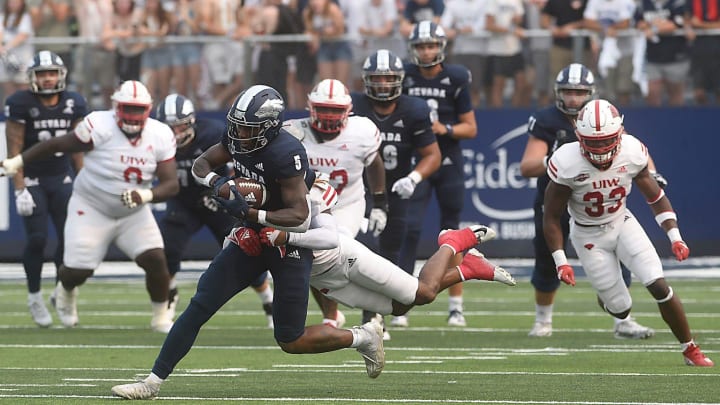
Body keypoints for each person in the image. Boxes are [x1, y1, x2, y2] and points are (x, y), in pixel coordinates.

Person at [109, 85, 385, 400]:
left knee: (290, 339)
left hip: (288, 242)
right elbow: (202, 166)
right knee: (200, 305)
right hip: (252, 234)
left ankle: (361, 337)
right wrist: (221, 186)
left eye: (246, 127)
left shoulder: (286, 151)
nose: (238, 132)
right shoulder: (236, 138)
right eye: (237, 124)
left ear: (268, 128)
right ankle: (153, 381)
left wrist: (251, 213)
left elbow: (299, 215)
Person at [543, 98, 713, 367]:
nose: (600, 148)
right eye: (593, 141)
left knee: (658, 283)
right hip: (588, 236)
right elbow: (551, 216)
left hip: (622, 221)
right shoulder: (567, 162)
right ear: (579, 136)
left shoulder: (632, 152)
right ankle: (607, 292)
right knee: (621, 308)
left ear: (619, 133)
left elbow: (656, 197)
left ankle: (690, 348)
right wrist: (561, 261)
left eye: (605, 140)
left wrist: (675, 237)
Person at [1, 79, 179, 333]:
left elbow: (171, 184)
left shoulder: (160, 134)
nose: (132, 115)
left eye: (138, 109)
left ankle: (161, 317)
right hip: (92, 207)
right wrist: (17, 161)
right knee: (77, 271)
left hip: (133, 213)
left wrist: (146, 196)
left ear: (149, 109)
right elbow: (56, 145)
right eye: (128, 108)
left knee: (155, 259)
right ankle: (64, 291)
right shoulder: (100, 125)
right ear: (116, 106)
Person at [520, 63, 658, 339]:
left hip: (599, 202)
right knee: (549, 259)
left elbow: (633, 149)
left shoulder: (602, 116)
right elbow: (527, 166)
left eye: (579, 92)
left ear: (591, 93)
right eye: (568, 92)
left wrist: (653, 175)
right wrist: (560, 160)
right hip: (558, 199)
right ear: (558, 92)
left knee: (617, 257)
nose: (573, 98)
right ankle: (543, 320)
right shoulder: (547, 120)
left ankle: (623, 320)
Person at [257, 178, 516, 322]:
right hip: (324, 278)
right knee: (399, 307)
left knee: (423, 292)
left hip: (342, 257)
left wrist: (284, 236)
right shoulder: (254, 204)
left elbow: (328, 236)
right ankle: (468, 269)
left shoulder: (305, 192)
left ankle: (455, 241)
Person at [154, 93, 275, 328]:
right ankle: (168, 296)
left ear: (191, 122)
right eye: (170, 128)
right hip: (181, 201)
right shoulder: (155, 139)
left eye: (180, 126)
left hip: (217, 200)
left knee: (245, 249)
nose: (176, 133)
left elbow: (236, 171)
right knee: (167, 250)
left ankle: (268, 299)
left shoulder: (212, 134)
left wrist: (220, 194)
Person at [351, 48, 441, 337]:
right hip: (358, 191)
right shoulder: (354, 107)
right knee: (364, 250)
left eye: (389, 78)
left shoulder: (413, 109)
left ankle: (379, 316)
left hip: (396, 191)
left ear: (400, 79)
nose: (382, 85)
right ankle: (344, 313)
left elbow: (432, 155)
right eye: (376, 78)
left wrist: (414, 177)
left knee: (389, 255)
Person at [285, 78, 387, 327]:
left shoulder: (361, 131)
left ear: (348, 111)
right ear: (310, 107)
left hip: (345, 203)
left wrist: (380, 203)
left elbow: (374, 164)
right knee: (308, 262)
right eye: (323, 109)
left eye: (335, 110)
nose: (329, 116)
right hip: (309, 206)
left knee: (333, 253)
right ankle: (331, 316)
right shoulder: (292, 133)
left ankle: (372, 308)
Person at [399, 21, 478, 327]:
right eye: (421, 46)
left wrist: (443, 128)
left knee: (452, 235)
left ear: (442, 47)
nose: (427, 51)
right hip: (417, 161)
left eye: (431, 45)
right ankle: (402, 300)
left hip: (447, 159)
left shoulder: (455, 77)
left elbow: (471, 127)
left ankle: (455, 305)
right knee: (409, 230)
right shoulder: (404, 76)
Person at [3, 50, 87, 327]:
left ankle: (61, 294)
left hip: (61, 178)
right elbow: (14, 149)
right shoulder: (20, 102)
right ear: (33, 77)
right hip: (33, 180)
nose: (48, 78)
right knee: (37, 239)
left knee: (69, 241)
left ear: (61, 75)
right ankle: (34, 296)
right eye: (42, 73)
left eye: (52, 73)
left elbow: (77, 150)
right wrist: (19, 188)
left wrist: (85, 185)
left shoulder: (74, 102)